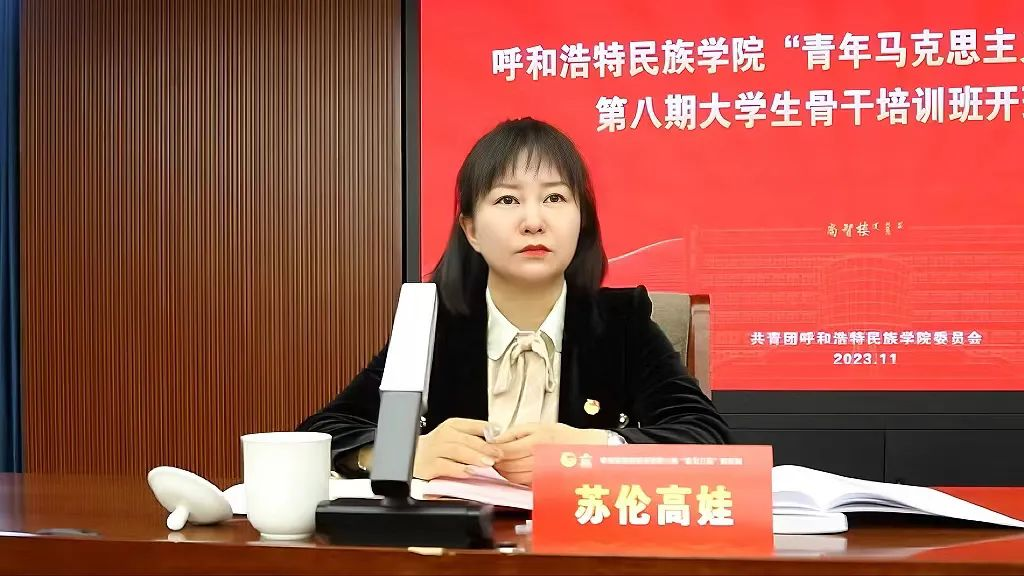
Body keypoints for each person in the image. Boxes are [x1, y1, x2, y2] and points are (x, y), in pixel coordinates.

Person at [297, 117, 731, 485]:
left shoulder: (621, 322)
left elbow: (707, 437)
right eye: (508, 199)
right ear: (471, 230)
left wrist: (595, 447)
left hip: (584, 541)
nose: (533, 221)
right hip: (460, 547)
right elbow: (324, 433)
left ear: (581, 220)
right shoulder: (434, 322)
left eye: (555, 198)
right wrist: (405, 453)